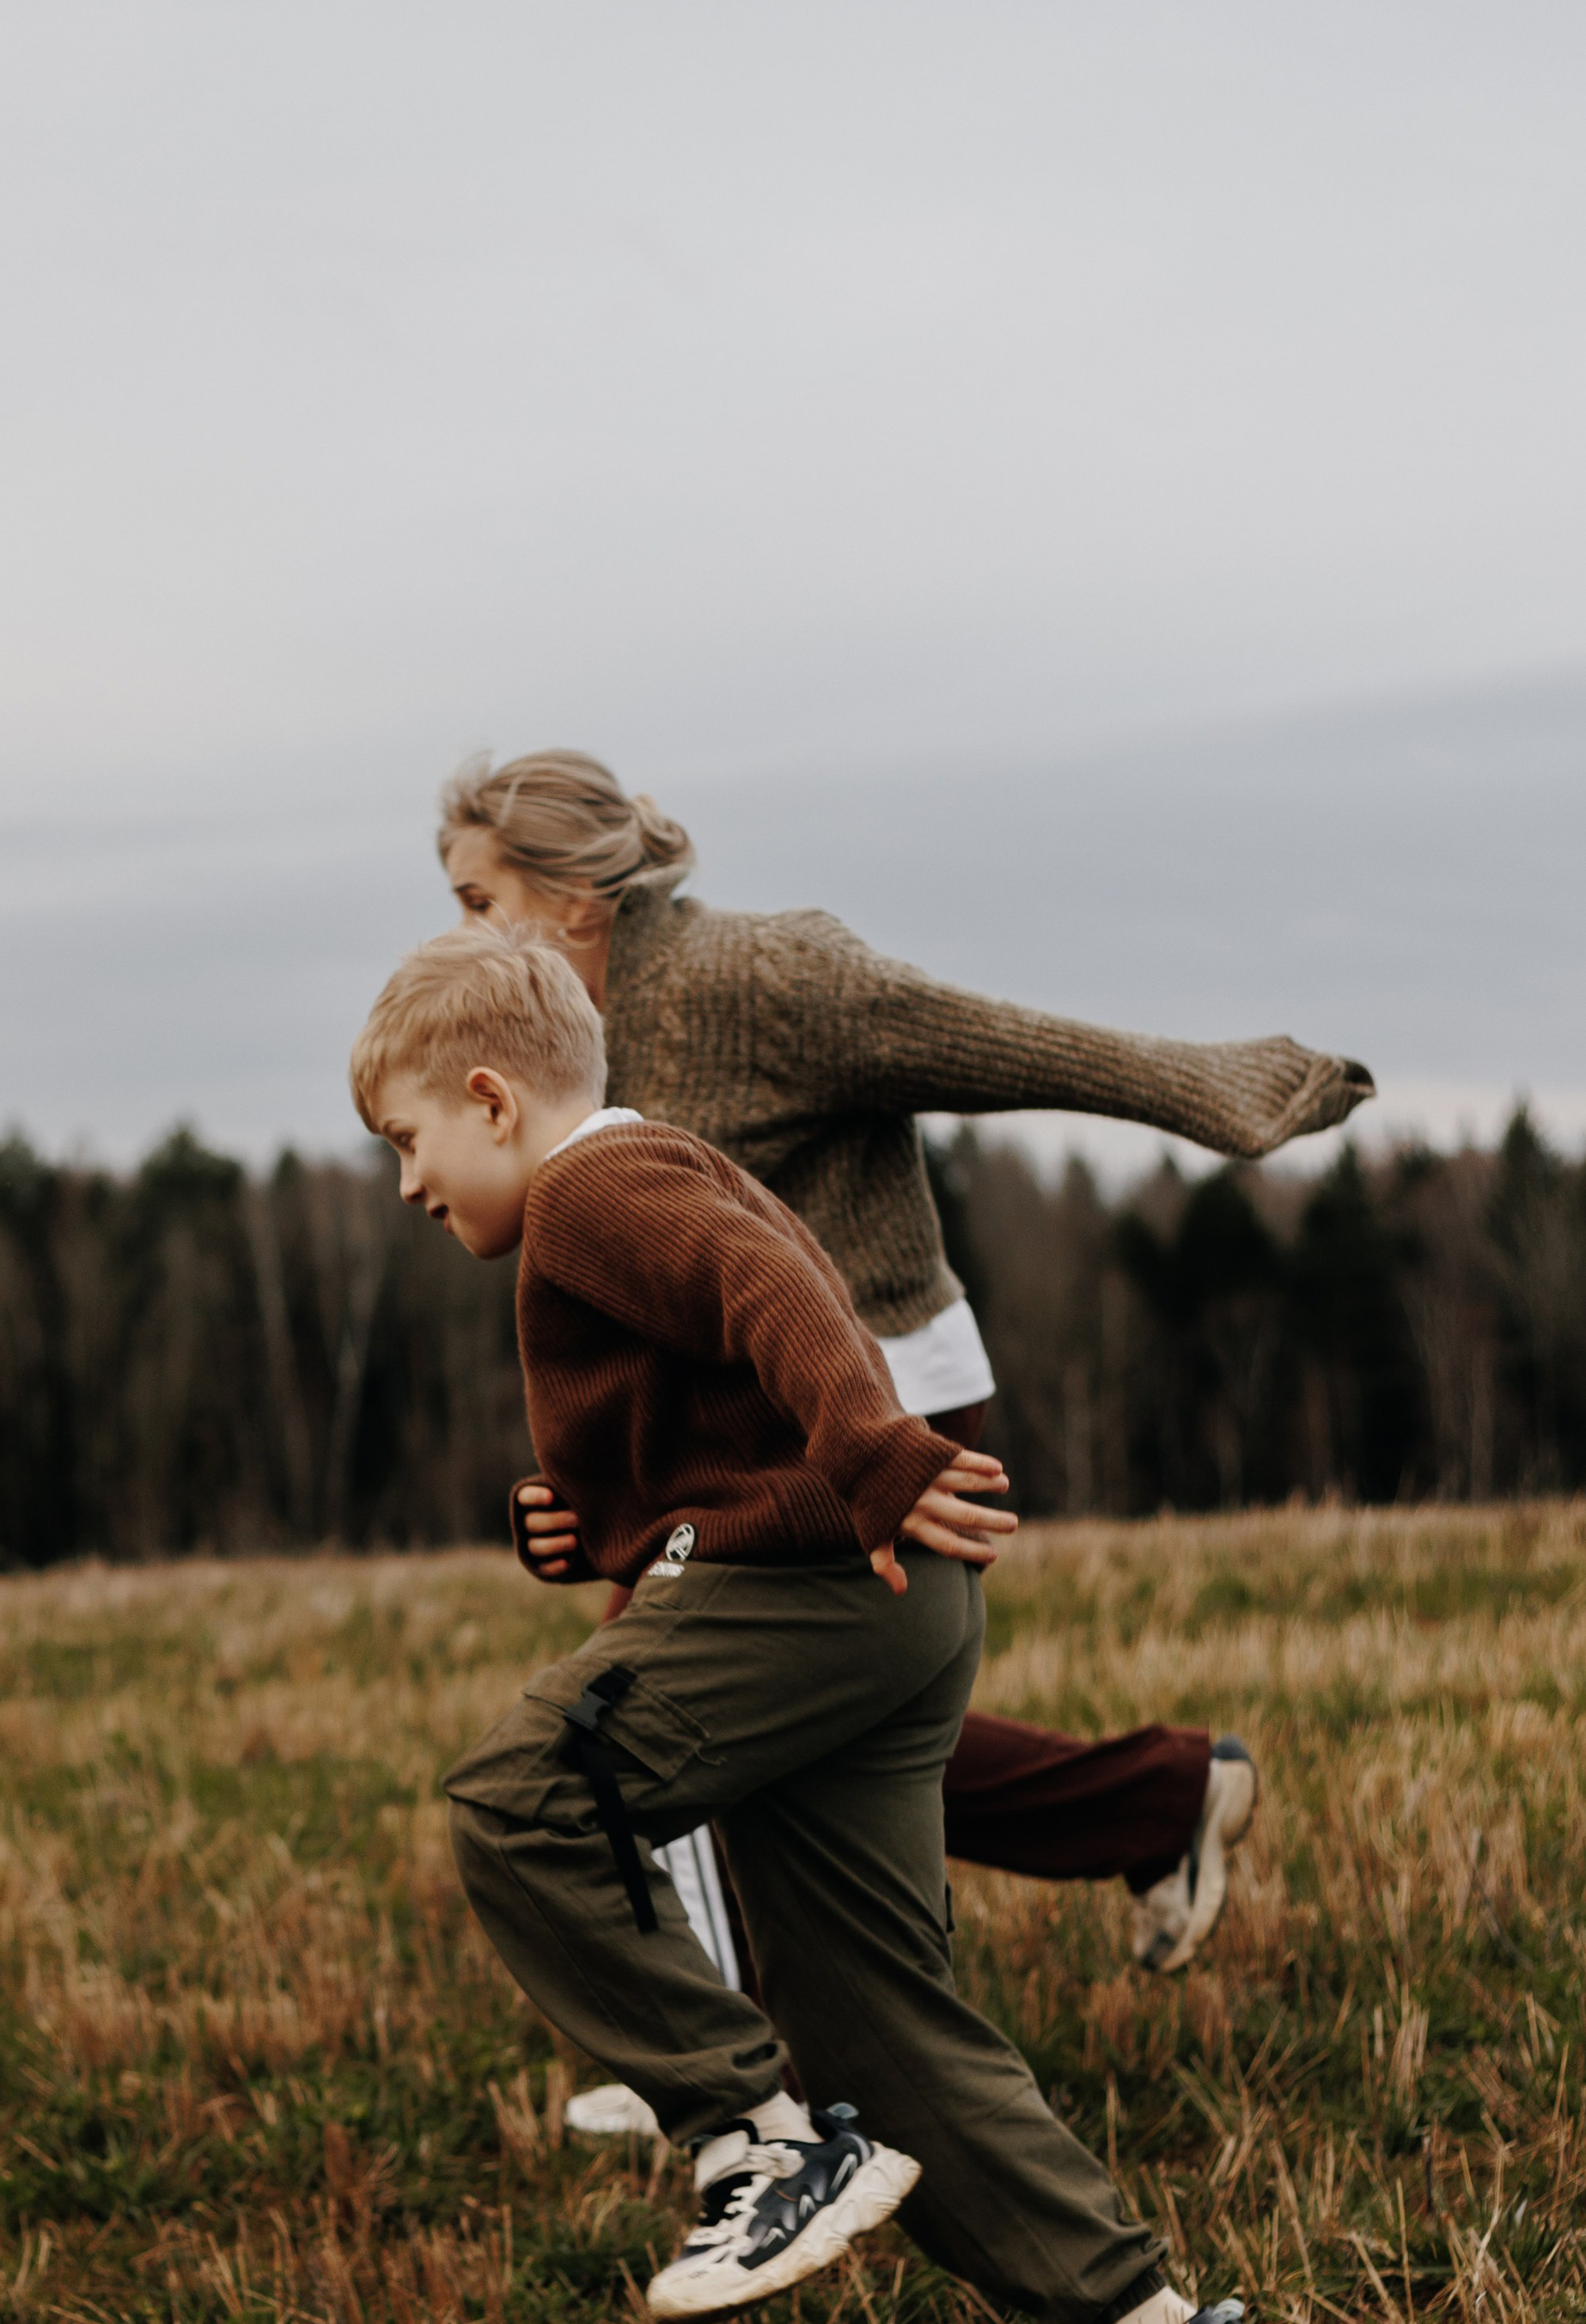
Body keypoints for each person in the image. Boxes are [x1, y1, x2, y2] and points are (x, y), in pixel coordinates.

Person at [349, 926, 1302, 2324]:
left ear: (491, 1099)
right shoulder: (644, 1168)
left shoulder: (593, 1186)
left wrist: (871, 1459)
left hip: (821, 1590)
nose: (407, 1184)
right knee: (875, 2030)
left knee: (523, 1794)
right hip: (886, 1604)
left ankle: (754, 2141)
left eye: (409, 1143)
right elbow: (716, 1398)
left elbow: (768, 1290)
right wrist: (586, 1521)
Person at [436, 747, 1369, 2075]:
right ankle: (1158, 1805)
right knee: (815, 1726)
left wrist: (1222, 1089)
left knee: (688, 1714)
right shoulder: (570, 1039)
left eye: (478, 901)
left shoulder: (765, 976)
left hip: (885, 1400)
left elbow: (991, 1041)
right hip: (746, 1426)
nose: (459, 933)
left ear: (573, 898)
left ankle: (724, 2061)